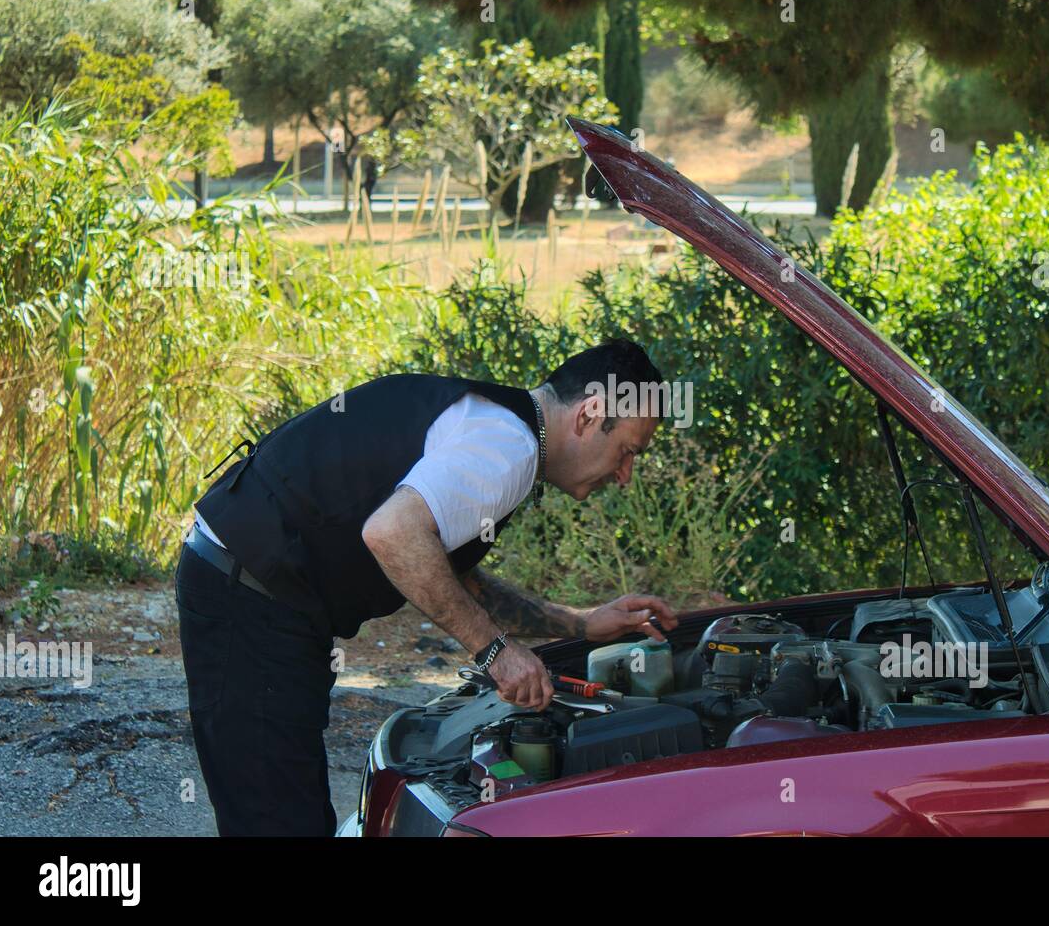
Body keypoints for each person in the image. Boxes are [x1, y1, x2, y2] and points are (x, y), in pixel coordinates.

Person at [175, 339, 676, 835]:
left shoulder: (499, 426)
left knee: (280, 808)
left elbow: (450, 573)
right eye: (628, 451)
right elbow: (392, 533)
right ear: (589, 415)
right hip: (250, 598)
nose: (626, 474)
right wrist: (496, 652)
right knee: (277, 822)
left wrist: (580, 622)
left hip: (248, 585)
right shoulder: (510, 448)